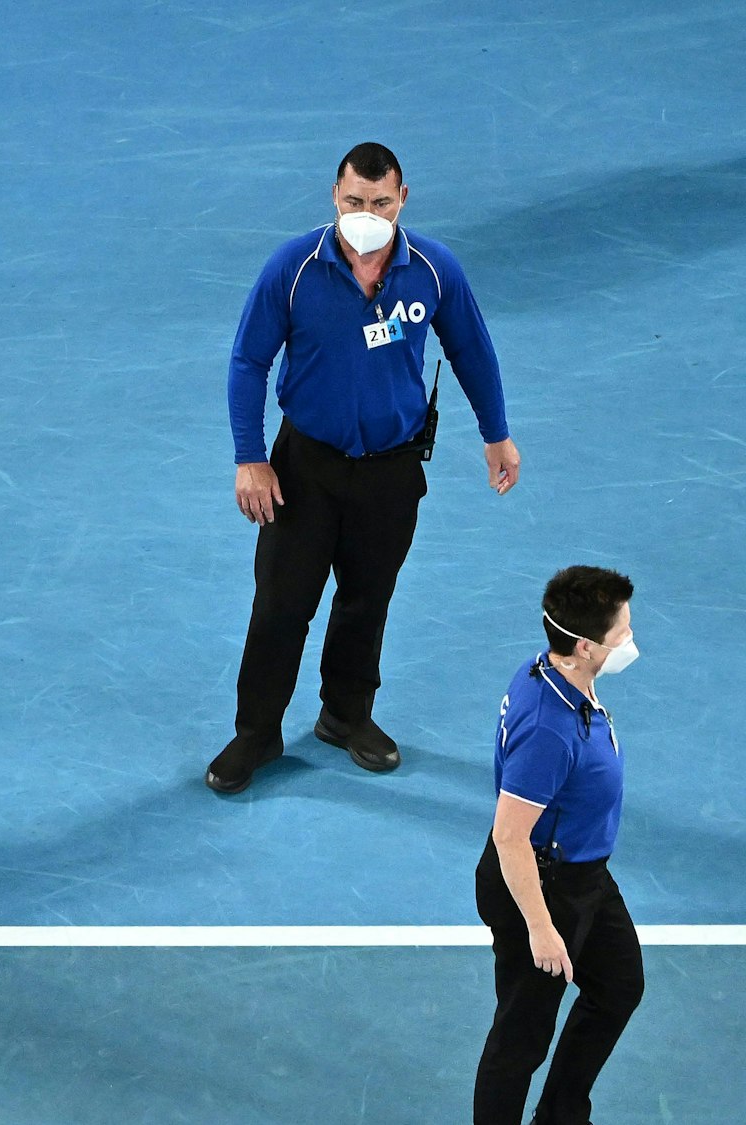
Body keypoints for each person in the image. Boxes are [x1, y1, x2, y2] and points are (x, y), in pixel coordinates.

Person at [206, 142, 524, 793]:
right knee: (280, 604)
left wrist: (497, 434)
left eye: (381, 202)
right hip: (305, 469)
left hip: (392, 471)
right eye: (355, 201)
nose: (367, 213)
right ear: (335, 196)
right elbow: (248, 362)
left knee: (365, 600)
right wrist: (250, 456)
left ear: (402, 199)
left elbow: (471, 348)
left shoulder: (434, 270)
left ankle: (345, 717)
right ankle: (256, 733)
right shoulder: (293, 268)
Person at [473, 566, 644, 1123]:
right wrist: (541, 929)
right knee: (520, 1041)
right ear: (588, 646)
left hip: (584, 873)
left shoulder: (554, 670)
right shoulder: (549, 728)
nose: (630, 640)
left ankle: (562, 1114)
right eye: (622, 632)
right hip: (544, 888)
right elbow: (509, 835)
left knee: (618, 986)